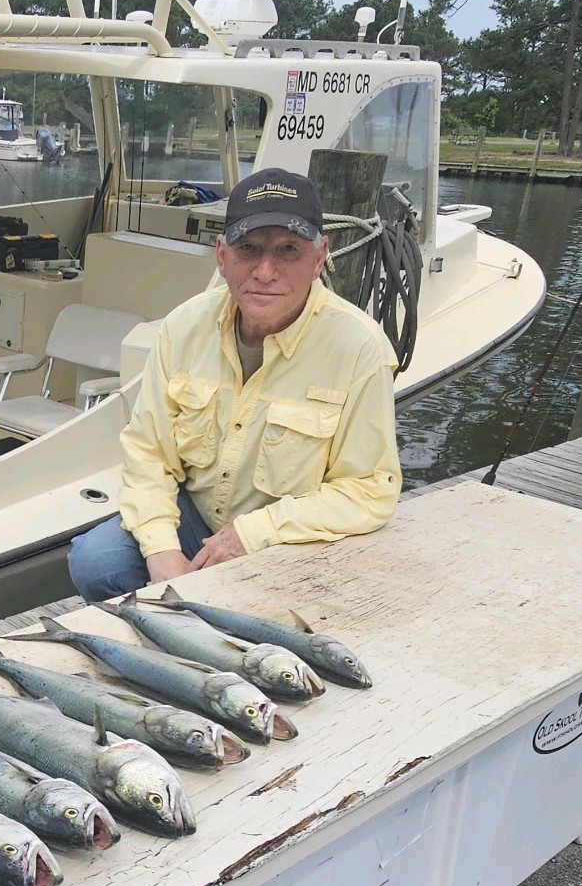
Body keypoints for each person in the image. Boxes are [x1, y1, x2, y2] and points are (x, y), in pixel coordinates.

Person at [67, 167, 402, 601]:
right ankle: (181, 622)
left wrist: (252, 534)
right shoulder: (182, 328)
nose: (265, 272)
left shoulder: (361, 349)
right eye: (248, 249)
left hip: (287, 536)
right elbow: (149, 455)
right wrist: (163, 553)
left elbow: (370, 489)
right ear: (221, 256)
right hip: (198, 514)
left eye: (288, 250)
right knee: (95, 563)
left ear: (319, 258)